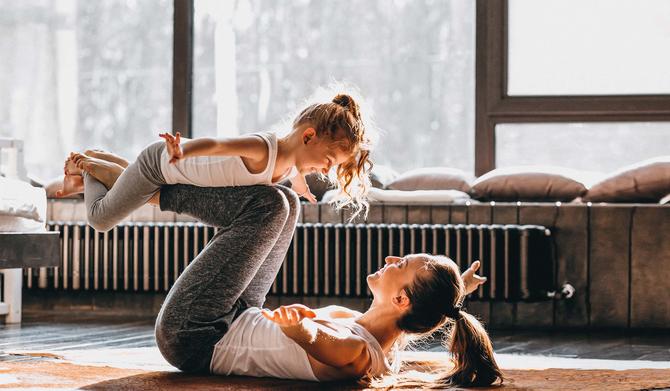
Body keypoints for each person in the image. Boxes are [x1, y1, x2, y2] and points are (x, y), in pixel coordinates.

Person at [70, 153, 502, 388]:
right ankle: (135, 181)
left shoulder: (357, 354)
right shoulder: (382, 334)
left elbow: (328, 346)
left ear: (401, 299)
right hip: (237, 316)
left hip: (197, 336)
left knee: (268, 205)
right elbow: (419, 318)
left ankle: (141, 185)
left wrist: (303, 331)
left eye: (401, 264)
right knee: (287, 202)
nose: (392, 259)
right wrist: (456, 291)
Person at [58, 93, 373, 232]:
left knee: (133, 186)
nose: (328, 170)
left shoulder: (289, 166)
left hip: (168, 173)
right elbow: (218, 144)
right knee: (100, 219)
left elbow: (296, 177)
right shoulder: (263, 148)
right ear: (308, 137)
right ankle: (85, 165)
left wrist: (302, 190)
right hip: (161, 164)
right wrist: (184, 150)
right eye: (329, 160)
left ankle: (96, 156)